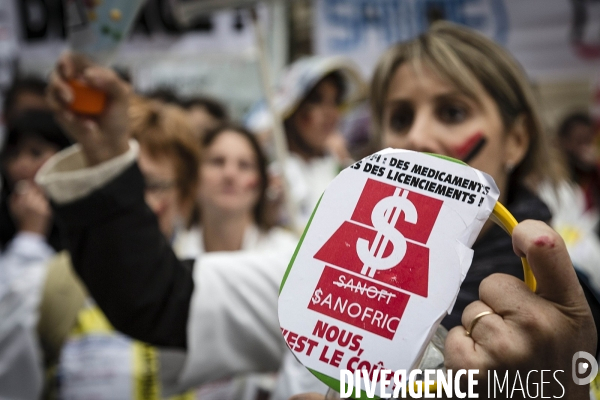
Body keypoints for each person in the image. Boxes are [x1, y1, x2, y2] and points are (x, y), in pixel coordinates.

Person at [40, 38, 594, 400]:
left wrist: (555, 387)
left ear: (518, 137)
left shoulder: (573, 317)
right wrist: (108, 155)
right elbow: (153, 297)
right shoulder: (307, 272)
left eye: (451, 112)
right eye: (398, 117)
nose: (418, 138)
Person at [36, 97, 202, 399]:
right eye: (125, 184)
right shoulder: (52, 282)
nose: (136, 201)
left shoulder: (205, 279)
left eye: (152, 184)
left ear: (186, 191)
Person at [173, 124, 298, 399]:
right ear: (194, 176)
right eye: (217, 162)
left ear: (262, 182)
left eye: (244, 166)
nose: (230, 174)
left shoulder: (291, 257)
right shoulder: (170, 260)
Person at [246, 56, 366, 228]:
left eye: (335, 102)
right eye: (317, 100)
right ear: (291, 109)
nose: (331, 114)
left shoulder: (346, 168)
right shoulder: (270, 174)